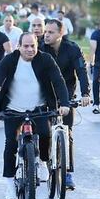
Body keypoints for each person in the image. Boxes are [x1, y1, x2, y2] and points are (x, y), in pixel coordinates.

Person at [0, 33, 70, 199]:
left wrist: (64, 103)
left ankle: (43, 162)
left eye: (33, 46)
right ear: (19, 46)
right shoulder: (10, 60)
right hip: (13, 110)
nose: (30, 49)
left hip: (38, 109)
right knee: (11, 144)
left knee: (45, 135)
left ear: (37, 45)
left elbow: (58, 81)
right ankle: (10, 186)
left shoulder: (45, 60)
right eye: (26, 46)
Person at [40, 20, 90, 189]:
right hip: (45, 92)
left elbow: (81, 71)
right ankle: (42, 162)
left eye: (51, 32)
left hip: (67, 93)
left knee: (67, 132)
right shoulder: (40, 48)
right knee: (43, 131)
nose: (46, 35)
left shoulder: (73, 49)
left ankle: (67, 173)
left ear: (61, 34)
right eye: (46, 31)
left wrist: (85, 94)